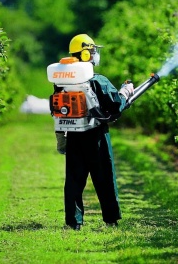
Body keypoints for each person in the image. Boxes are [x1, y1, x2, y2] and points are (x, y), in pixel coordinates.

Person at [54, 34, 134, 230]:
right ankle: (111, 219)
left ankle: (73, 222)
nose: (94, 54)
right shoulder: (97, 80)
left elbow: (57, 108)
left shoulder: (60, 81)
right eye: (92, 51)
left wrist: (60, 138)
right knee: (104, 177)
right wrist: (125, 92)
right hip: (96, 136)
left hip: (73, 136)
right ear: (85, 53)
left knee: (74, 180)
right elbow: (115, 105)